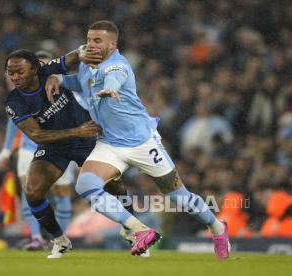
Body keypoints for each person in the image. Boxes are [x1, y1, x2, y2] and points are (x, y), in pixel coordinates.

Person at [45, 20, 230, 259]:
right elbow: (81, 84)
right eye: (89, 39)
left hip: (142, 142)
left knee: (179, 197)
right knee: (85, 186)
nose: (90, 44)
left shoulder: (118, 66)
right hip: (110, 143)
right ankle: (139, 230)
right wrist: (60, 80)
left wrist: (110, 88)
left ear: (113, 44)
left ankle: (217, 227)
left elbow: (114, 78)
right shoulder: (85, 64)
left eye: (97, 41)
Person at [4, 48, 135, 259]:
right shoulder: (14, 102)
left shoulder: (48, 71)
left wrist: (88, 50)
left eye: (20, 72)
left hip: (86, 140)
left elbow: (75, 55)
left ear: (35, 69)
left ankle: (131, 227)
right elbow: (37, 135)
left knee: (115, 185)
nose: (15, 77)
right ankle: (59, 240)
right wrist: (76, 131)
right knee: (32, 190)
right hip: (55, 145)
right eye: (11, 73)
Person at [0, 50, 76, 250]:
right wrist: (6, 150)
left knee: (61, 194)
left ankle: (61, 240)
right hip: (28, 148)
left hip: (61, 148)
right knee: (29, 193)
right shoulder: (21, 95)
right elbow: (12, 123)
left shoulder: (63, 86)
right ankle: (36, 238)